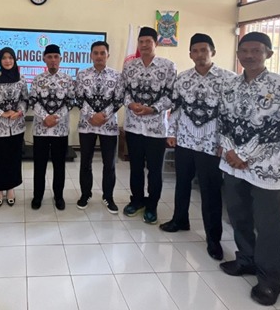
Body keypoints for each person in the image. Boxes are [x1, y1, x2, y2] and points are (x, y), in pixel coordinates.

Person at [218, 32, 280, 306]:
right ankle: (246, 260)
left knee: (267, 226)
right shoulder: (229, 85)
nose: (249, 55)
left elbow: (278, 128)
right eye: (244, 50)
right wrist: (230, 151)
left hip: (267, 169)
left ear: (269, 54)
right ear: (238, 54)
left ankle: (270, 280)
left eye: (256, 50)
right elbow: (223, 121)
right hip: (233, 166)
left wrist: (242, 154)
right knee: (238, 216)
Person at [160, 33, 235, 261]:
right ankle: (179, 220)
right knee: (182, 183)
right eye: (195, 50)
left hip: (212, 145)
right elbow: (176, 108)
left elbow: (232, 116)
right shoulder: (183, 79)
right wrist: (171, 133)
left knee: (210, 191)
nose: (200, 54)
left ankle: (213, 239)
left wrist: (226, 143)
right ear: (190, 54)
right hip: (185, 141)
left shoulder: (228, 79)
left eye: (204, 50)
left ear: (213, 52)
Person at [122, 26, 176, 224]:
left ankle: (152, 206)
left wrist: (153, 109)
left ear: (156, 43)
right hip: (133, 126)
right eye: (141, 41)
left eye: (148, 41)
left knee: (154, 170)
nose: (144, 45)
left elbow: (172, 95)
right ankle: (136, 201)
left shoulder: (168, 66)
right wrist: (130, 104)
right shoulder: (129, 66)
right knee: (135, 168)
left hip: (156, 129)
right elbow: (123, 91)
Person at [75, 41, 124, 213]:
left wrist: (103, 115)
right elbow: (78, 98)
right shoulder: (82, 75)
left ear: (108, 55)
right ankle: (85, 194)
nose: (99, 56)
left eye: (102, 53)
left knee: (109, 163)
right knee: (85, 162)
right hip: (87, 125)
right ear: (91, 55)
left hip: (108, 125)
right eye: (95, 53)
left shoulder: (117, 76)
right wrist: (91, 115)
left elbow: (119, 99)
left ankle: (108, 197)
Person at [29, 44, 76, 210]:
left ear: (60, 59)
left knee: (59, 165)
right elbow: (32, 101)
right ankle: (37, 196)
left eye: (56, 57)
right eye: (50, 57)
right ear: (44, 59)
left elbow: (70, 101)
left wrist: (55, 118)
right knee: (39, 165)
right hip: (40, 130)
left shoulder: (68, 80)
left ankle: (59, 196)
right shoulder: (37, 79)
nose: (53, 60)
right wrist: (45, 117)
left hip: (60, 130)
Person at [0, 47, 28, 207]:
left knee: (13, 159)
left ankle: (10, 188)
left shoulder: (21, 79)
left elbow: (25, 99)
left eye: (10, 57)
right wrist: (2, 113)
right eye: (4, 58)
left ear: (14, 59)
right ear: (0, 60)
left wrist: (19, 112)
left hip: (16, 126)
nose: (7, 61)